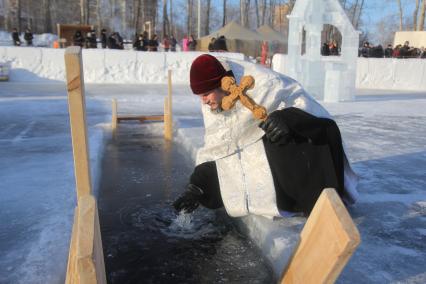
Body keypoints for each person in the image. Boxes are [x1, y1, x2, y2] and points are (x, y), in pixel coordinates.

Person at [172, 54, 358, 218]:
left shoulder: (264, 83)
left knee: (282, 135)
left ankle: (315, 204)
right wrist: (196, 187)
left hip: (285, 158)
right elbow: (215, 147)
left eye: (205, 94)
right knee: (224, 169)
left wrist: (286, 118)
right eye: (199, 96)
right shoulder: (212, 105)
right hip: (254, 158)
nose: (203, 101)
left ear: (221, 84)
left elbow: (315, 114)